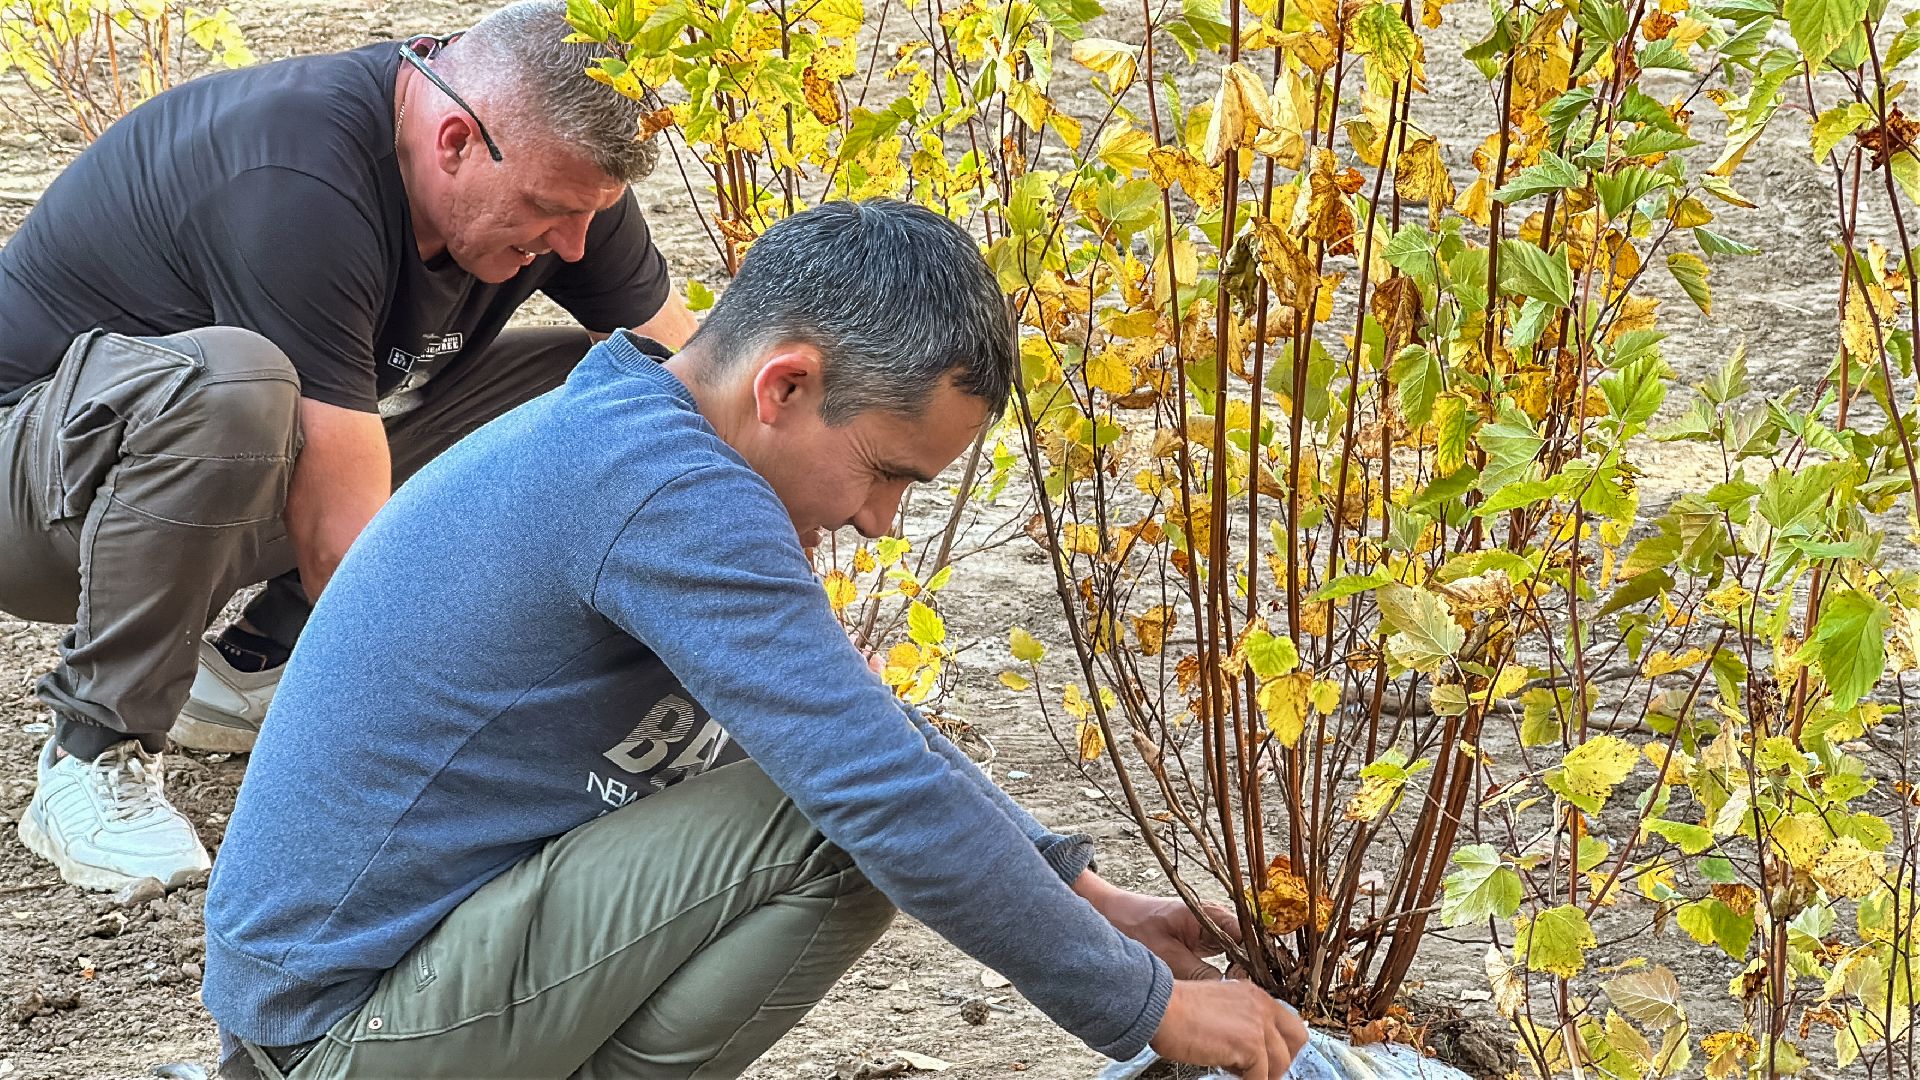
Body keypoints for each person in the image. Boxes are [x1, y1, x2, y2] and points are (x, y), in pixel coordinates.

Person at [202, 200, 1310, 1080]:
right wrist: (1146, 1010)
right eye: (887, 473)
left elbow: (857, 727)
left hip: (367, 997)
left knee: (825, 789)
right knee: (824, 823)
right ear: (785, 384)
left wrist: (1085, 896)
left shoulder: (644, 434)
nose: (882, 519)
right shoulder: (666, 494)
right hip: (337, 1038)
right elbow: (871, 784)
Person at [0, 0, 697, 893]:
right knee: (238, 386)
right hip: (46, 498)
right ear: (453, 141)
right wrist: (474, 736)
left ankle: (254, 666)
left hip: (229, 484)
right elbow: (343, 537)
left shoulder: (553, 173)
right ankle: (91, 754)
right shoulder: (298, 174)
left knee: (605, 387)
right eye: (549, 212)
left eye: (588, 218)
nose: (568, 245)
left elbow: (692, 384)